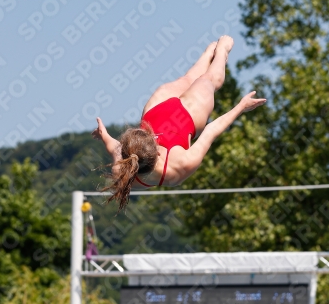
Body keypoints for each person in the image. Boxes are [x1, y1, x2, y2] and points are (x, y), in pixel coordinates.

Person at [92, 36, 266, 211]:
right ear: (157, 155)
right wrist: (241, 106)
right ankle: (217, 52)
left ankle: (214, 52)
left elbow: (114, 146)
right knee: (201, 80)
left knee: (200, 79)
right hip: (173, 113)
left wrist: (104, 135)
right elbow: (211, 131)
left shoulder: (124, 170)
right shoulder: (178, 165)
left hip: (170, 113)